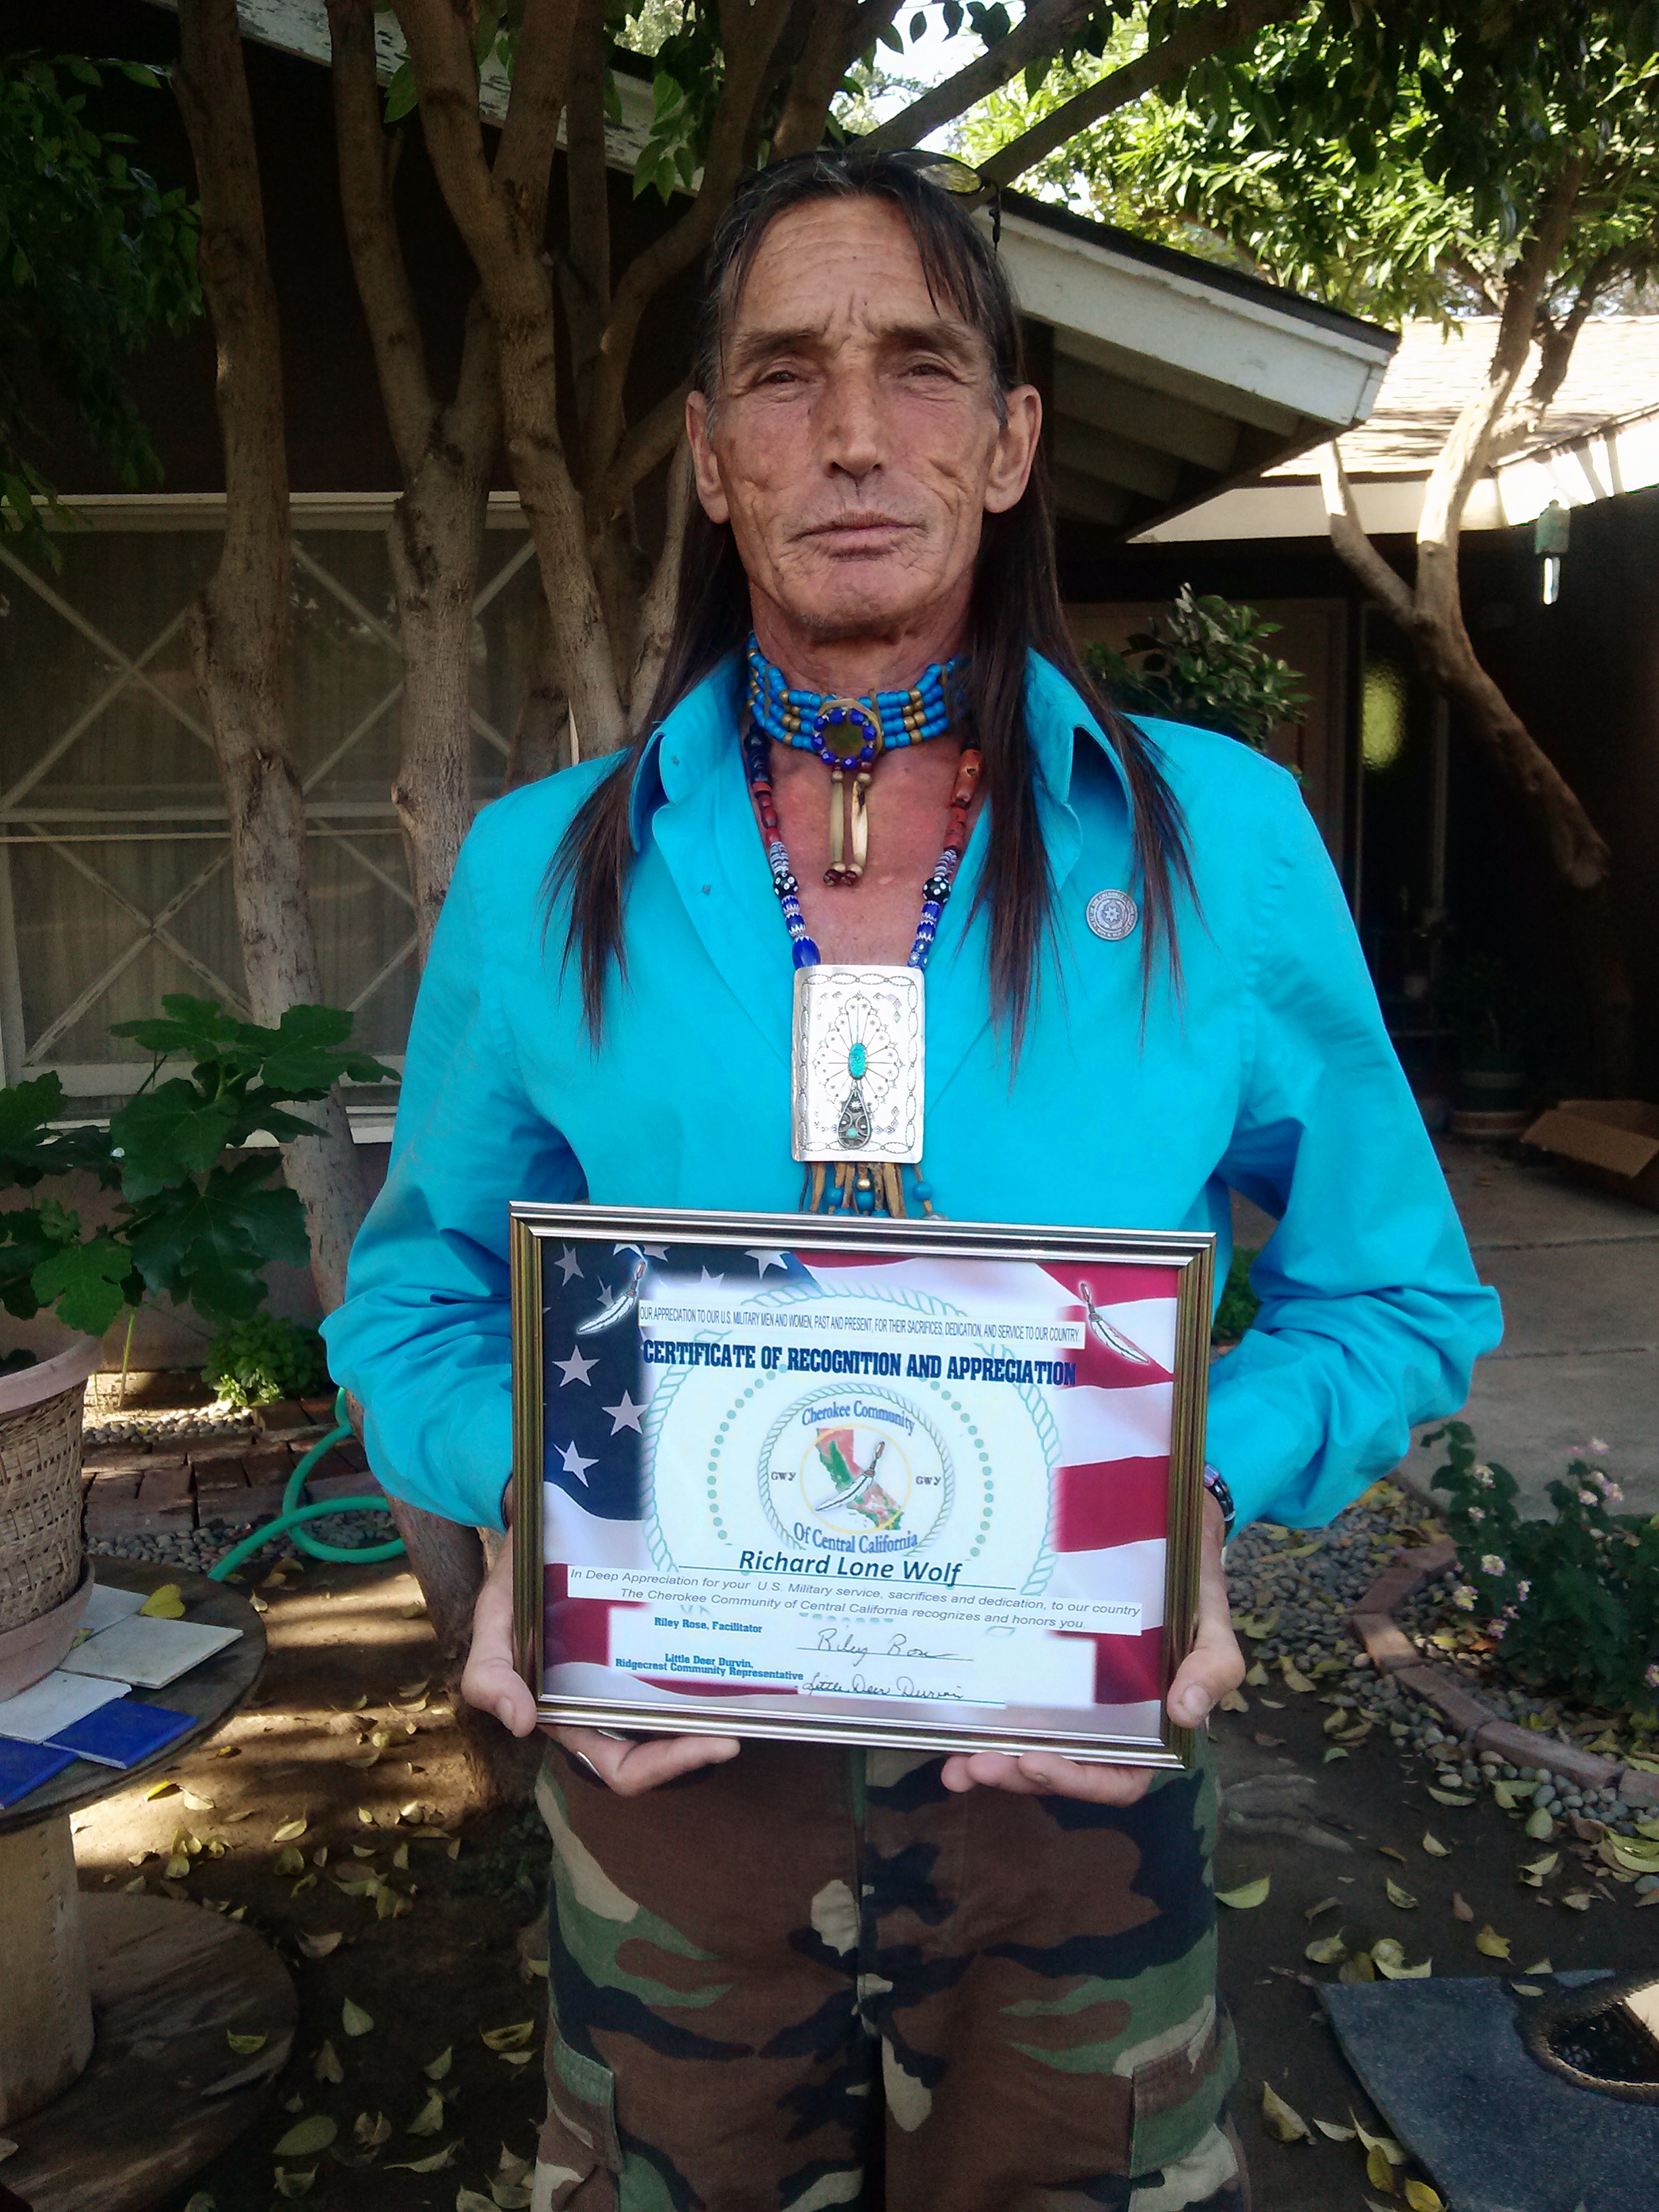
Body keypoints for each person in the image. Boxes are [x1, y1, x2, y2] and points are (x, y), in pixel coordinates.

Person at [323, 151, 1502, 2212]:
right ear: (706, 457)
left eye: (922, 369)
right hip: (672, 1815)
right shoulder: (543, 874)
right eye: (782, 377)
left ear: (1014, 438)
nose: (854, 434)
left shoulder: (1215, 844)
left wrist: (1190, 1496)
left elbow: (1397, 1298)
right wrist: (531, 1497)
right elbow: (415, 1304)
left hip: (1077, 1826)